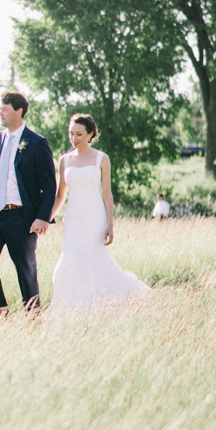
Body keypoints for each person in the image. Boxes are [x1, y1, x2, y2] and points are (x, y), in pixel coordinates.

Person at [48, 113, 151, 311]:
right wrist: (47, 218)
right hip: (73, 220)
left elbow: (107, 194)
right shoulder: (64, 160)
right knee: (70, 261)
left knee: (95, 260)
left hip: (95, 219)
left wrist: (110, 224)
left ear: (90, 134)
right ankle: (71, 307)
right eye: (71, 134)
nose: (74, 138)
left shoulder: (101, 159)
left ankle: (104, 303)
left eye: (79, 134)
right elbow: (60, 195)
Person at [0, 90, 57, 313]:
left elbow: (49, 186)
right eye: (0, 108)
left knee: (25, 270)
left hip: (21, 217)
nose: (0, 112)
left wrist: (42, 217)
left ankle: (33, 319)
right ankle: (2, 312)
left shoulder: (37, 142)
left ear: (18, 111)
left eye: (5, 109)